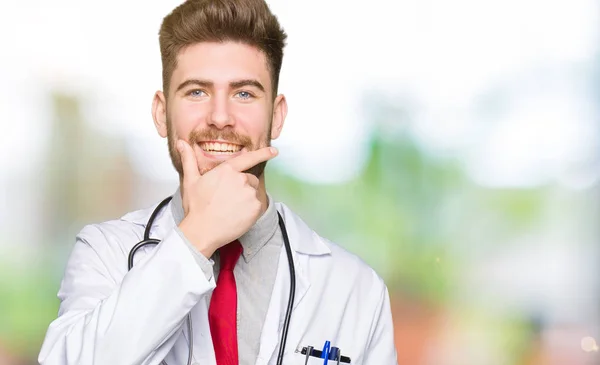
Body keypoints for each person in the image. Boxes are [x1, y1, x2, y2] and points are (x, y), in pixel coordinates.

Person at [38, 0, 398, 364]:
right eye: (197, 91)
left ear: (276, 116)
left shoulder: (357, 290)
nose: (220, 117)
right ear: (162, 114)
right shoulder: (105, 253)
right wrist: (197, 237)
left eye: (244, 93)